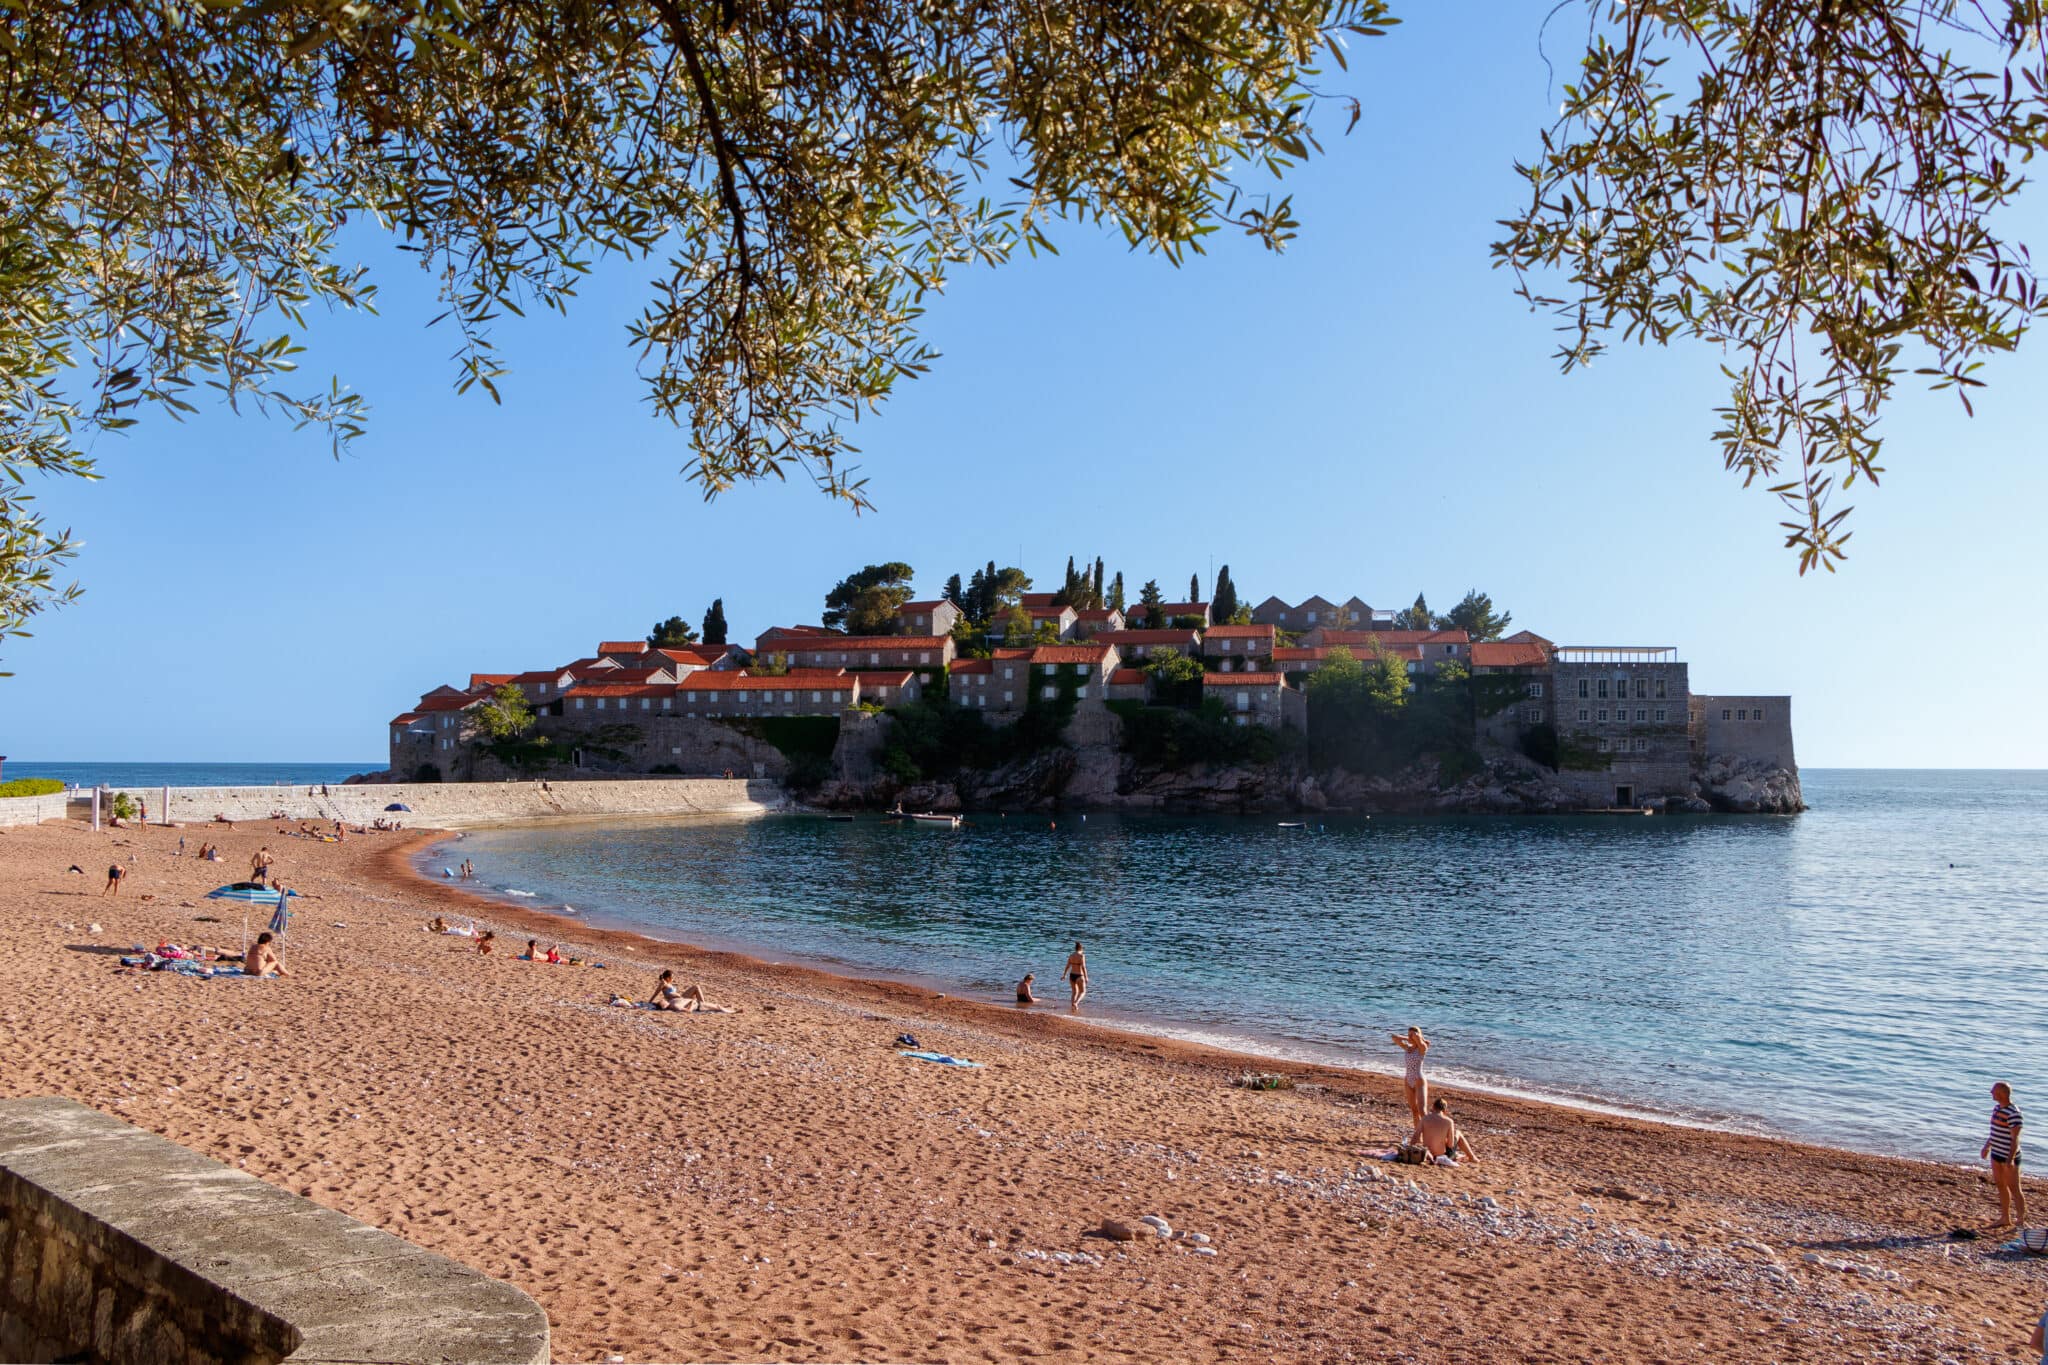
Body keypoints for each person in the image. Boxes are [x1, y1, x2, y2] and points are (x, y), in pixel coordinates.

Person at [1982, 1081, 2028, 1229]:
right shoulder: (1996, 1109)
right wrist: (1987, 1146)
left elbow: (2015, 1140)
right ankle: (2005, 1217)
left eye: (1993, 1090)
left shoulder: (2014, 1113)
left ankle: (2020, 1220)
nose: (1991, 1093)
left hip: (2009, 1157)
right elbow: (1994, 1131)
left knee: (2014, 1188)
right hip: (1996, 1153)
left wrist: (2010, 1161)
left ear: (2002, 1093)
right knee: (2001, 1185)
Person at [1417, 1097, 1480, 1166]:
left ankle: (1459, 1156)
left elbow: (1416, 1136)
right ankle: (1472, 1157)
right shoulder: (1449, 1121)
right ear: (1445, 1110)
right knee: (1457, 1133)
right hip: (1442, 1156)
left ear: (1433, 1107)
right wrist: (1444, 1140)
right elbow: (1450, 1145)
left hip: (1427, 1154)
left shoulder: (1425, 1118)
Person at [1393, 1026, 1431, 1138]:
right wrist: (1408, 1038)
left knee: (1422, 1111)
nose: (1410, 1036)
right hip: (1408, 1080)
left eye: (1412, 1034)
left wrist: (1415, 1037)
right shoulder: (1408, 1048)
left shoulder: (1422, 1048)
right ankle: (1418, 1135)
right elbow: (1394, 1038)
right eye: (1408, 1034)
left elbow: (1419, 1040)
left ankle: (1429, 1134)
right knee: (1414, 1111)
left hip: (1419, 1080)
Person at [649, 968, 735, 1012]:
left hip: (681, 998)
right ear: (667, 978)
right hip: (677, 1000)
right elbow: (656, 993)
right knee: (696, 987)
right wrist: (649, 1002)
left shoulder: (668, 984)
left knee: (695, 989)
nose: (673, 979)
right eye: (672, 977)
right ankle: (705, 1004)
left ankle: (708, 1005)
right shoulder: (663, 983)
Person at [1065, 942, 1088, 1009]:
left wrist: (1064, 975)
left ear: (1075, 948)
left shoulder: (1071, 955)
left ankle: (1073, 1006)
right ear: (1081, 948)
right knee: (1083, 991)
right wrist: (1086, 977)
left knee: (1074, 992)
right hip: (1079, 975)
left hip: (1072, 975)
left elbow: (1067, 966)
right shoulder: (1081, 956)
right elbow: (1083, 967)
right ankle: (1076, 1003)